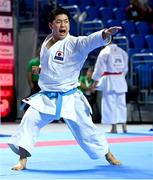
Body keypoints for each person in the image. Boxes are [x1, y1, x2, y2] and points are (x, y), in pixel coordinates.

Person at [8, 7, 122, 171]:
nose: (63, 25)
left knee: (87, 130)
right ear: (51, 25)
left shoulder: (75, 43)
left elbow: (90, 40)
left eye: (66, 21)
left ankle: (108, 154)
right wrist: (41, 69)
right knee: (29, 121)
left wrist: (104, 34)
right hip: (46, 97)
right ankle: (22, 160)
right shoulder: (47, 41)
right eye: (59, 22)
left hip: (70, 98)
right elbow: (52, 66)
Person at [92, 38, 128, 133]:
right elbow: (125, 69)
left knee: (109, 104)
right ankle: (124, 127)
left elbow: (99, 69)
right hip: (120, 79)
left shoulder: (104, 52)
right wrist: (119, 77)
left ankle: (114, 128)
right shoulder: (122, 52)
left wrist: (94, 83)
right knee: (121, 104)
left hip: (109, 80)